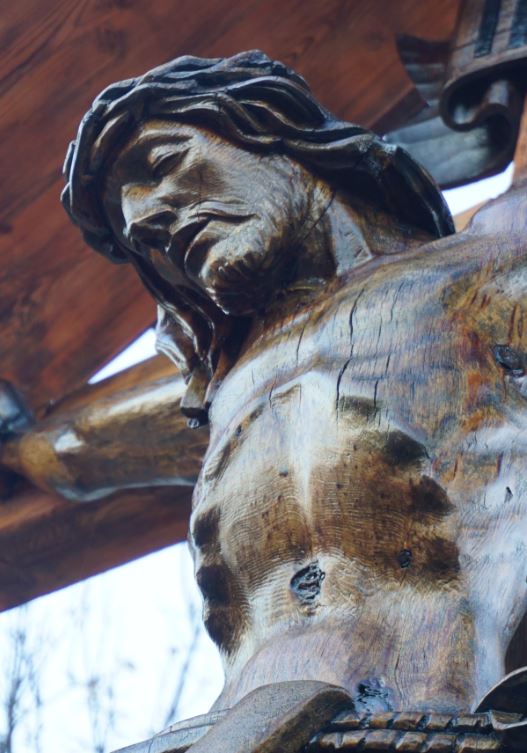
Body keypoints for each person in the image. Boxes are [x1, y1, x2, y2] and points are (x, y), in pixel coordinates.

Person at [4, 51, 527, 719]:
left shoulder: (485, 269)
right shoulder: (224, 392)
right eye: (130, 227)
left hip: (453, 712)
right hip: (242, 729)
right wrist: (18, 447)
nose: (141, 220)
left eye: (160, 163)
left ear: (272, 130)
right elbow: (71, 447)